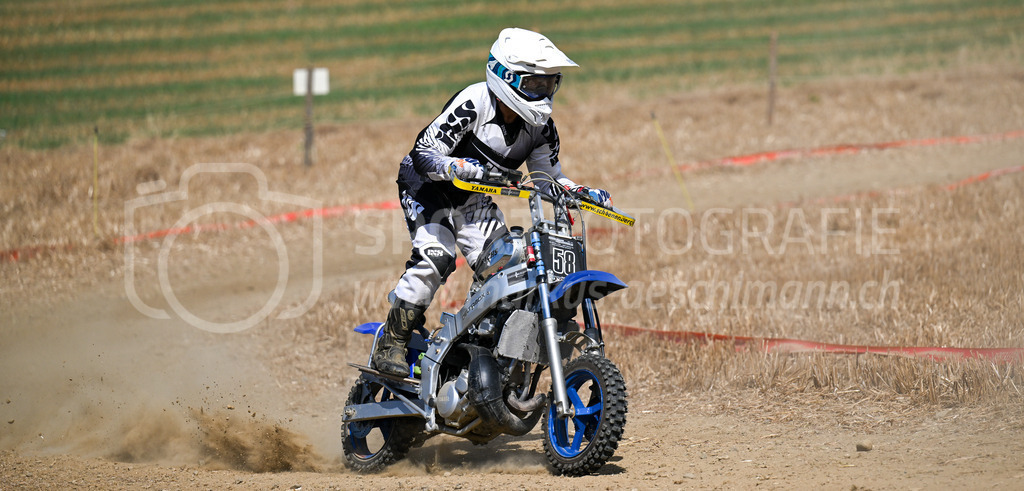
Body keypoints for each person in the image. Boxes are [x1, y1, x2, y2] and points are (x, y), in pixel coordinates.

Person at [372, 27, 614, 377]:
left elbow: (547, 178)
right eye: (534, 84)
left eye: (549, 84)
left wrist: (579, 192)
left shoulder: (542, 128)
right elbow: (423, 151)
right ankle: (392, 342)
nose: (543, 93)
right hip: (426, 187)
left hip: (472, 198)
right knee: (437, 257)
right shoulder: (474, 102)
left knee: (509, 264)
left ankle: (469, 347)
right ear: (505, 77)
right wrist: (454, 166)